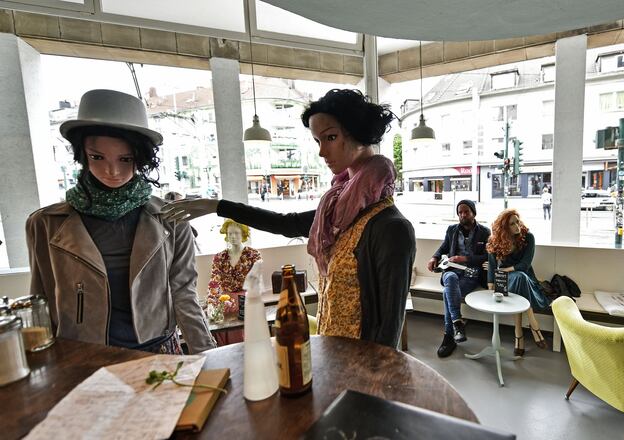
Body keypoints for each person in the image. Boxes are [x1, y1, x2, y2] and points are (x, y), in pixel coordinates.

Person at [162, 89, 415, 349]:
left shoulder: (390, 228)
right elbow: (285, 223)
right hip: (333, 350)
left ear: (360, 133)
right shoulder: (335, 213)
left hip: (363, 363)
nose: (322, 152)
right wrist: (217, 205)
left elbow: (389, 328)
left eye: (331, 137)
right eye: (318, 141)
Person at [26, 89, 215, 354]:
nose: (112, 171)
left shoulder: (171, 219)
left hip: (158, 354)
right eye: (97, 157)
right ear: (82, 154)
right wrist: (44, 368)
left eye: (125, 159)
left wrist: (207, 355)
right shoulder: (46, 223)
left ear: (140, 158)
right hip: (82, 359)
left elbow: (183, 292)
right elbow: (42, 301)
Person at [428, 200, 490, 357]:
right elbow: (444, 246)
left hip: (471, 272)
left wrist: (464, 259)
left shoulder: (484, 232)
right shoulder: (452, 229)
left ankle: (449, 335)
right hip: (452, 271)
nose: (463, 215)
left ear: (473, 213)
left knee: (447, 293)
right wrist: (434, 257)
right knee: (449, 278)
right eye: (460, 212)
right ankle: (457, 323)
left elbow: (487, 256)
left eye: (466, 212)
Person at [486, 209, 549, 355]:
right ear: (504, 228)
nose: (517, 226)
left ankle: (518, 333)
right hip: (506, 281)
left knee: (520, 277)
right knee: (518, 279)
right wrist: (490, 286)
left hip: (526, 278)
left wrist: (505, 270)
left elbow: (525, 265)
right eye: (512, 224)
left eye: (517, 222)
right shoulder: (494, 240)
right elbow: (491, 265)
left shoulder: (528, 238)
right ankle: (534, 326)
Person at [207, 219, 261, 315]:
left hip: (247, 300)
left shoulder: (253, 255)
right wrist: (211, 303)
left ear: (243, 234)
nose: (233, 236)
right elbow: (214, 282)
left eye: (236, 233)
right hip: (226, 301)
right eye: (230, 233)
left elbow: (256, 282)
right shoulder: (219, 257)